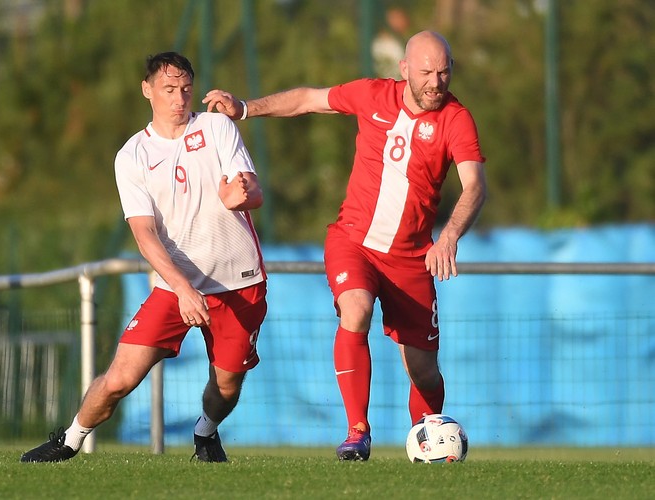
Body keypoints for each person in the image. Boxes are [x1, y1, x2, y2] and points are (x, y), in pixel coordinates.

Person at [204, 31, 486, 461]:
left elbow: (474, 186)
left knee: (424, 370)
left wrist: (448, 235)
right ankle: (357, 431)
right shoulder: (371, 95)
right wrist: (245, 108)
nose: (436, 82)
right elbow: (307, 99)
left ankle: (427, 438)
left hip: (412, 258)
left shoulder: (455, 118)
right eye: (427, 72)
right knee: (355, 310)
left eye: (444, 71)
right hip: (353, 242)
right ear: (404, 69)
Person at [21, 52, 268, 463]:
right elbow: (144, 234)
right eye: (169, 89)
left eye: (186, 88)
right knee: (120, 378)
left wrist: (242, 196)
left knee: (228, 383)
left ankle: (205, 433)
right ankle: (69, 440)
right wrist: (184, 289)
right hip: (177, 286)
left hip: (239, 281)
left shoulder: (217, 126)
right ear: (147, 90)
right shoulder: (132, 155)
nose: (179, 98)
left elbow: (253, 191)